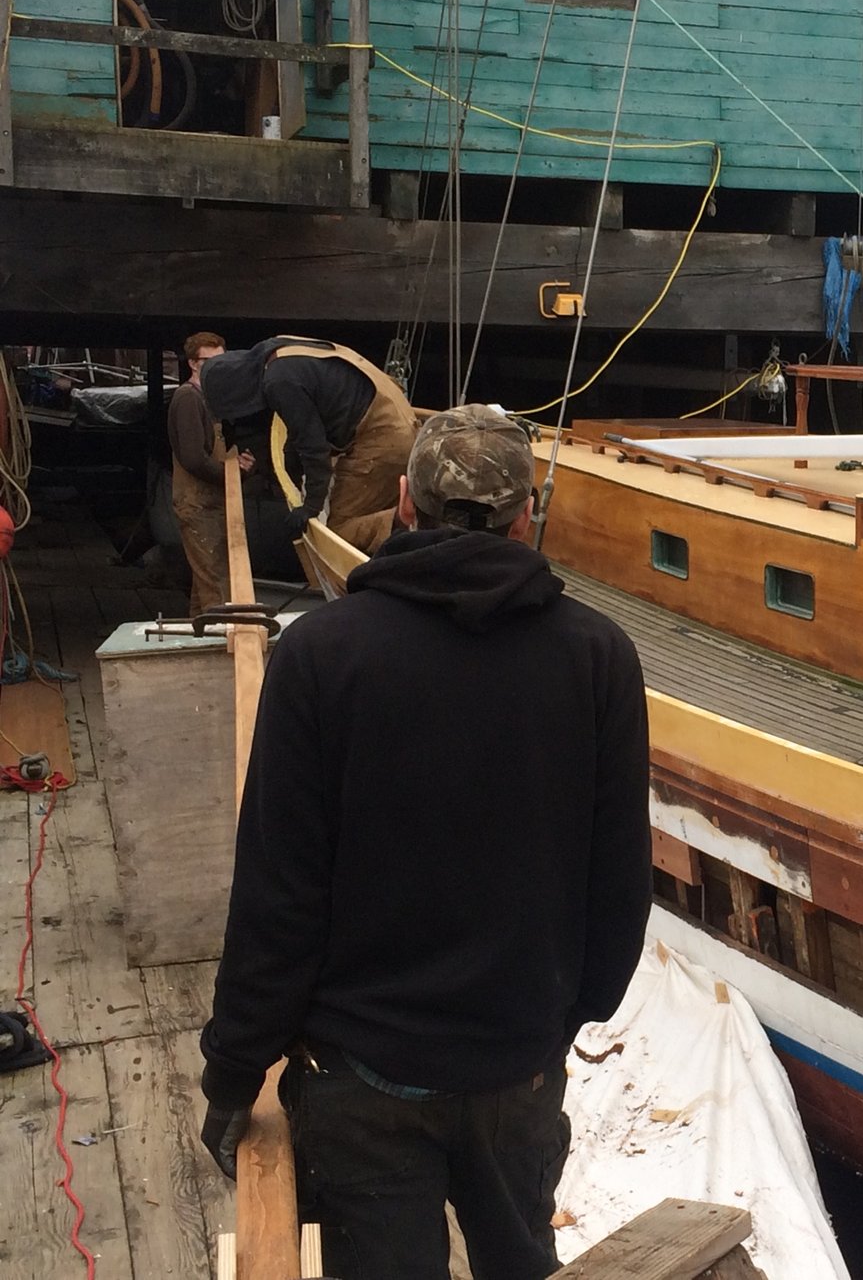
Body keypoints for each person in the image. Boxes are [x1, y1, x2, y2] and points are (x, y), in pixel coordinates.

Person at [198, 405, 653, 1280]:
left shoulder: (322, 657)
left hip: (365, 1078)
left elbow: (276, 896)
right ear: (529, 513)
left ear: (404, 503)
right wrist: (560, 1023)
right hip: (517, 1068)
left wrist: (233, 1071)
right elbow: (618, 883)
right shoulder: (598, 658)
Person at [200, 336, 418, 554]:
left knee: (339, 533)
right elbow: (309, 414)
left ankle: (405, 517)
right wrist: (290, 464)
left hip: (382, 436)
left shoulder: (279, 383)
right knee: (369, 507)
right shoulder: (279, 351)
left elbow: (314, 448)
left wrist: (310, 507)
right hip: (399, 415)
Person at [167, 331, 232, 615]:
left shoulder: (211, 399)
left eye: (221, 361)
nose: (216, 368)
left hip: (213, 504)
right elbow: (193, 459)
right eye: (209, 361)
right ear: (193, 363)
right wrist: (229, 475)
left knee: (203, 582)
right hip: (197, 504)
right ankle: (219, 647)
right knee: (216, 585)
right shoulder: (188, 398)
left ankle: (197, 642)